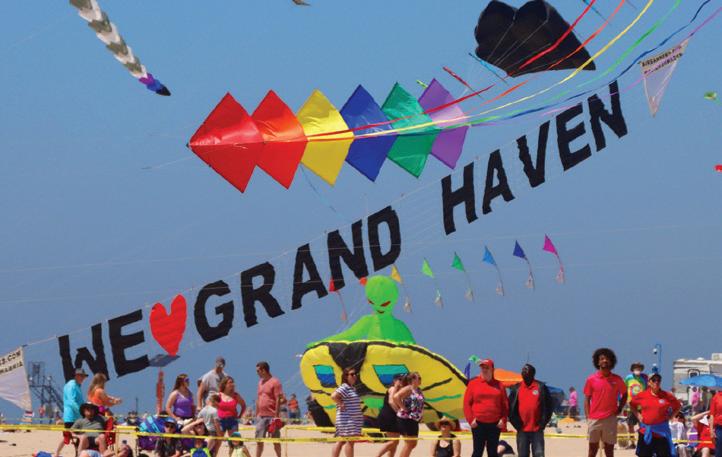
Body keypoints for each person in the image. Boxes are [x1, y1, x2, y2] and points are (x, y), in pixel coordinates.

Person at [583, 348, 626, 457]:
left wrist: (620, 408)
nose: (605, 361)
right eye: (602, 359)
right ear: (597, 362)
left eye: (607, 359)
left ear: (611, 362)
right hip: (594, 419)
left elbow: (625, 394)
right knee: (592, 450)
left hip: (610, 418)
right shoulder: (591, 379)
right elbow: (587, 399)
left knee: (609, 450)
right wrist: (588, 416)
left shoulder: (617, 379)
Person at [464, 358, 509, 457]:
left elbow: (505, 405)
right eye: (482, 368)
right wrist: (471, 420)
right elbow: (466, 403)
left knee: (492, 452)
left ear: (492, 369)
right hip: (478, 424)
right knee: (477, 451)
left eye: (487, 368)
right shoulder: (473, 384)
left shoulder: (499, 385)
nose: (484, 370)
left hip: (494, 424)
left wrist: (503, 420)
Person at [629, 373, 681, 457]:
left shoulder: (667, 395)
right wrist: (638, 415)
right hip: (646, 432)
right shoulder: (642, 395)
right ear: (649, 382)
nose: (656, 382)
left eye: (658, 380)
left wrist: (671, 416)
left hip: (661, 433)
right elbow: (631, 404)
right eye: (653, 380)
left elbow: (678, 406)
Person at [508, 364, 553, 457]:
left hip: (537, 430)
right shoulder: (516, 388)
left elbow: (549, 406)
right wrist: (517, 425)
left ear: (532, 373)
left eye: (526, 370)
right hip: (522, 430)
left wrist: (542, 424)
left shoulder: (541, 387)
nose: (523, 372)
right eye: (522, 371)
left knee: (539, 454)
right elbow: (510, 408)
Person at [55, 368, 88, 457]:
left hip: (76, 416)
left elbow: (79, 401)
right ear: (76, 376)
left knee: (70, 436)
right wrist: (82, 412)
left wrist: (85, 408)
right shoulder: (72, 385)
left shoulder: (77, 385)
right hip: (72, 417)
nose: (83, 378)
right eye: (81, 376)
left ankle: (57, 454)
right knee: (74, 436)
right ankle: (58, 454)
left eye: (84, 376)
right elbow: (71, 402)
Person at [331, 367, 363, 457]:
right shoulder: (345, 387)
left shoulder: (351, 388)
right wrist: (341, 404)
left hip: (350, 419)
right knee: (350, 441)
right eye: (352, 374)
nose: (354, 376)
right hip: (348, 419)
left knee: (341, 440)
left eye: (355, 374)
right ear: (346, 376)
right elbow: (334, 396)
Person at [255, 361, 285, 457]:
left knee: (275, 440)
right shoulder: (260, 382)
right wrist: (256, 414)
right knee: (259, 440)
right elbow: (258, 398)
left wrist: (276, 416)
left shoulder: (275, 382)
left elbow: (278, 399)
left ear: (264, 370)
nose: (257, 373)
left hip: (272, 416)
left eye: (258, 371)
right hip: (261, 416)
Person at [217, 377, 249, 457]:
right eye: (230, 382)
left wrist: (240, 416)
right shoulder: (218, 395)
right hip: (221, 421)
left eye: (233, 382)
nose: (232, 384)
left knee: (234, 443)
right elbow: (211, 405)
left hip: (232, 421)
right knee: (218, 443)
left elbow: (243, 405)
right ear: (225, 384)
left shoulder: (235, 395)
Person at [395, 372, 425, 457]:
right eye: (418, 378)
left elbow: (420, 404)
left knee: (413, 444)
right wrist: (404, 408)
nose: (420, 380)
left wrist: (421, 414)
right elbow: (396, 397)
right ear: (412, 380)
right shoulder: (409, 388)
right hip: (405, 418)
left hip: (414, 419)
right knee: (410, 443)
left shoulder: (418, 390)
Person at [375, 374, 406, 457]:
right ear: (395, 380)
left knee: (395, 443)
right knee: (393, 441)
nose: (402, 381)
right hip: (388, 416)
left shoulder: (401, 390)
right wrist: (399, 412)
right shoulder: (392, 388)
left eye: (403, 379)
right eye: (400, 379)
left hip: (394, 417)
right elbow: (391, 401)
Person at [624, 362, 649, 449]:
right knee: (630, 425)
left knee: (642, 425)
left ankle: (643, 443)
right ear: (632, 369)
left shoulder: (645, 378)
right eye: (636, 368)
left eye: (639, 368)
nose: (637, 369)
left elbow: (648, 389)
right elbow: (624, 389)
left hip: (642, 406)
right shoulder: (628, 378)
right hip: (631, 405)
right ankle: (632, 443)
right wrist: (624, 401)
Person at [710, 389, 722, 457]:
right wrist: (711, 430)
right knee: (719, 451)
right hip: (720, 427)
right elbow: (712, 415)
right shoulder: (716, 397)